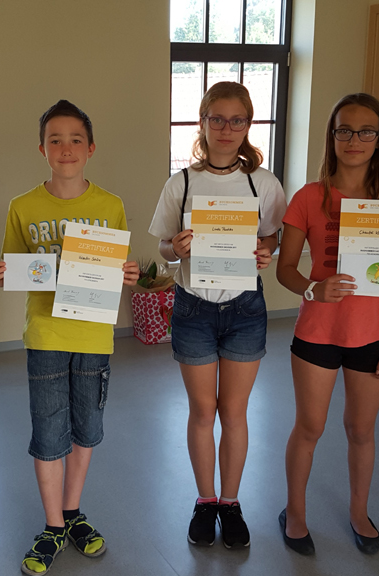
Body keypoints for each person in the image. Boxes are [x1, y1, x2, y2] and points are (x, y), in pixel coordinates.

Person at [0, 100, 139, 576]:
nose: (66, 148)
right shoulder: (23, 206)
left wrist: (128, 273)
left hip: (95, 335)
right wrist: (1, 275)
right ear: (42, 149)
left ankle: (72, 512)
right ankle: (53, 525)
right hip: (46, 333)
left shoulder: (111, 205)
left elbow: (117, 268)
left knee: (87, 430)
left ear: (91, 148)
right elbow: (14, 271)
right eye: (55, 140)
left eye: (76, 139)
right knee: (49, 432)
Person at [275, 93, 379, 556]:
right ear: (332, 136)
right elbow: (285, 269)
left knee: (361, 430)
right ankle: (295, 512)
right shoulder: (309, 196)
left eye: (366, 131)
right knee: (310, 427)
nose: (354, 140)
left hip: (374, 336)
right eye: (344, 130)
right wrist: (312, 289)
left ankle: (359, 512)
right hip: (317, 333)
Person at [148, 81, 285, 548]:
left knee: (234, 411)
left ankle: (231, 502)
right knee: (203, 411)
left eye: (237, 120)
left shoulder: (263, 183)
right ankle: (205, 501)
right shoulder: (181, 182)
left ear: (248, 125)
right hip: (193, 308)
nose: (227, 128)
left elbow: (271, 237)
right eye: (217, 119)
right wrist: (176, 247)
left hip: (245, 308)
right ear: (202, 122)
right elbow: (163, 246)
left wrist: (265, 251)